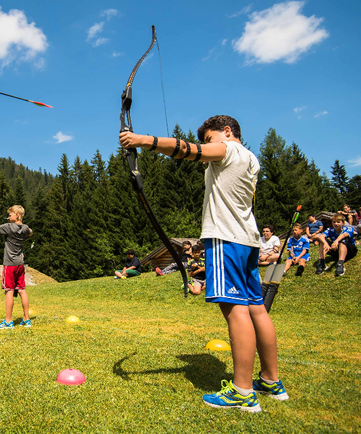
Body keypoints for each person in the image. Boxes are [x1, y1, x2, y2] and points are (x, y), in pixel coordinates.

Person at [120, 115, 288, 412]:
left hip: (226, 239)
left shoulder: (230, 149)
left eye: (209, 139)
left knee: (235, 309)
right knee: (257, 308)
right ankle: (271, 381)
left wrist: (142, 141)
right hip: (246, 239)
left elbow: (189, 150)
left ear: (226, 132)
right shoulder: (250, 158)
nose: (207, 146)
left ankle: (242, 392)